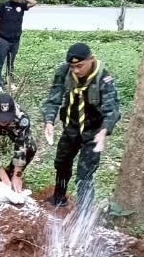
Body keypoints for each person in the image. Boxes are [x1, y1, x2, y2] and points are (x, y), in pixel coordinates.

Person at [41, 41, 121, 208]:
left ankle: (84, 212)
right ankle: (59, 198)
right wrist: (49, 121)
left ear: (91, 59)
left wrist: (104, 131)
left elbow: (112, 109)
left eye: (80, 66)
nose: (76, 70)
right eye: (72, 66)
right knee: (62, 163)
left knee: (85, 174)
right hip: (71, 127)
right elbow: (53, 99)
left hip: (93, 131)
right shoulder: (64, 73)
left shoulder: (103, 79)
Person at [0, 0, 38, 90]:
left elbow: (34, 3)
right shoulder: (3, 5)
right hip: (3, 38)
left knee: (11, 62)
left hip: (15, 39)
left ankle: (8, 82)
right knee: (0, 61)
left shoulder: (21, 6)